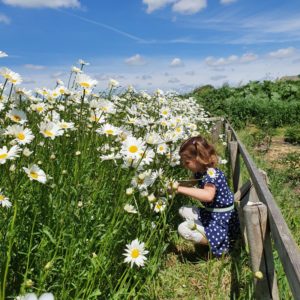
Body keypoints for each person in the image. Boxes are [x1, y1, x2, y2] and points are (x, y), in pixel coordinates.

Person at [174, 135, 240, 257]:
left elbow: (208, 196)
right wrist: (176, 184)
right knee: (183, 210)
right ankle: (209, 237)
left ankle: (221, 246)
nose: (184, 165)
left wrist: (179, 189)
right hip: (213, 213)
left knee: (183, 229)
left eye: (187, 162)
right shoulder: (200, 171)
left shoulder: (212, 174)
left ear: (199, 158)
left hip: (222, 220)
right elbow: (190, 183)